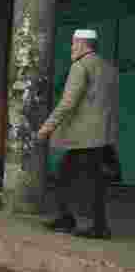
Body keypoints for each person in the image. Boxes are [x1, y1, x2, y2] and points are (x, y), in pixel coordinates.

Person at [37, 28, 120, 239]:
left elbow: (67, 103)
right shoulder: (108, 68)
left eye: (74, 44)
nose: (72, 48)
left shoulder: (80, 66)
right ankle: (76, 220)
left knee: (75, 179)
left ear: (83, 44)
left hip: (83, 138)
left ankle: (89, 226)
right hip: (103, 137)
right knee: (88, 180)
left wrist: (47, 127)